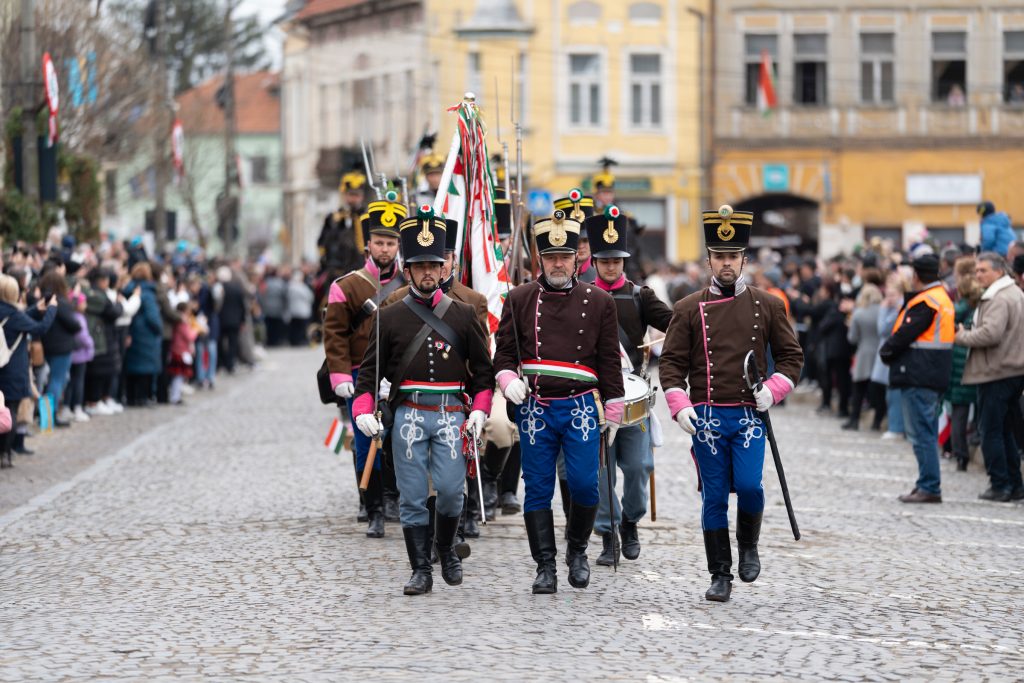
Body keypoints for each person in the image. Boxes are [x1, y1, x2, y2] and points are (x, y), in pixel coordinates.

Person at [659, 205, 803, 603]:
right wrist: (678, 402)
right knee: (715, 498)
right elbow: (670, 362)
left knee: (751, 488)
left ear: (744, 259)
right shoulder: (688, 308)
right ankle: (719, 573)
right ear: (709, 259)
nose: (726, 263)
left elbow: (793, 358)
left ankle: (749, 544)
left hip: (748, 414)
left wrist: (773, 389)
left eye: (733, 257)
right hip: (705, 415)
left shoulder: (768, 304)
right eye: (719, 256)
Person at [351, 208, 494, 595]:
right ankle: (420, 570)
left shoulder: (464, 315)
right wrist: (364, 411)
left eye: (434, 264)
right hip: (409, 414)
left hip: (451, 414)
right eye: (420, 266)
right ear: (407, 269)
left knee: (450, 492)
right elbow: (368, 376)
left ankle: (446, 549)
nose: (428, 272)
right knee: (413, 498)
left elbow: (483, 373)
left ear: (445, 266)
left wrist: (480, 409)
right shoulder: (389, 316)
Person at [494, 209, 625, 595]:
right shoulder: (518, 299)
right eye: (550, 257)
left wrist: (614, 407)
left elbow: (608, 361)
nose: (557, 263)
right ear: (540, 259)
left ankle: (578, 550)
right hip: (536, 404)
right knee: (537, 489)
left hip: (581, 404)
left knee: (585, 486)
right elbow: (502, 355)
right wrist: (507, 380)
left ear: (576, 260)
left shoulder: (600, 301)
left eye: (564, 256)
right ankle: (545, 566)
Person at [583, 205, 673, 566]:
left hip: (634, 395)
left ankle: (631, 521)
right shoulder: (582, 296)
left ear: (624, 260)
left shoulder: (641, 296)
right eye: (604, 261)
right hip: (594, 397)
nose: (610, 266)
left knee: (638, 468)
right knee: (601, 470)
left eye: (616, 260)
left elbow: (676, 324)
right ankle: (608, 533)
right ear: (596, 262)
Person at [323, 198, 408, 537]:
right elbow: (334, 334)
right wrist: (340, 374)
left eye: (391, 243)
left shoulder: (409, 283)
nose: (385, 249)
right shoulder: (346, 285)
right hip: (361, 375)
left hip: (399, 375)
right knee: (365, 441)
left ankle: (393, 497)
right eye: (379, 243)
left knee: (399, 441)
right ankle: (372, 507)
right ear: (368, 245)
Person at [879, 254, 955, 504]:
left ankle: (929, 486)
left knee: (921, 433)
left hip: (919, 373)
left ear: (916, 276)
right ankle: (927, 483)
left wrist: (887, 351)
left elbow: (904, 334)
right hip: (932, 372)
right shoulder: (942, 297)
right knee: (926, 432)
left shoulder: (927, 301)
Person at [954, 253, 1024, 501]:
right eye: (977, 270)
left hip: (996, 371)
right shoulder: (1013, 292)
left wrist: (962, 336)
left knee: (991, 430)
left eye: (983, 270)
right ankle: (1014, 485)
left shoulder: (999, 297)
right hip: (1010, 370)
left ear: (998, 271)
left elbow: (990, 334)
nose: (978, 275)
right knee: (1004, 431)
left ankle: (1000, 484)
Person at [0, 274, 57, 467]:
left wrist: (35, 309)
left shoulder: (12, 314)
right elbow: (39, 328)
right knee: (10, 413)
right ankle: (5, 454)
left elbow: (18, 319)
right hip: (13, 370)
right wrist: (52, 310)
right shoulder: (14, 314)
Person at [946, 258, 982, 471]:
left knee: (959, 413)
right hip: (976, 365)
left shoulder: (955, 311)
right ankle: (974, 442)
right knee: (978, 411)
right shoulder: (980, 309)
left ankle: (960, 455)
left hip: (959, 367)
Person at [38, 270, 81, 426]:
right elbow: (73, 324)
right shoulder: (60, 302)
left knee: (49, 382)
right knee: (56, 381)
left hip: (47, 345)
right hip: (61, 347)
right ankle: (49, 418)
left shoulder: (43, 300)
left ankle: (46, 417)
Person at [844, 281, 884, 430]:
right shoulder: (883, 311)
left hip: (863, 353)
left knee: (858, 390)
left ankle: (854, 420)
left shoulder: (859, 313)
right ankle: (877, 422)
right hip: (880, 353)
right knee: (879, 391)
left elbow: (852, 338)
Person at [122, 262, 164, 407]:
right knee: (145, 368)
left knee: (132, 367)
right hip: (146, 334)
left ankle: (131, 397)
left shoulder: (128, 290)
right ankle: (142, 397)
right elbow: (153, 317)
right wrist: (159, 329)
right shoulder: (148, 293)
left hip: (130, 332)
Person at [318, 168, 368, 276]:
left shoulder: (367, 217)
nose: (353, 199)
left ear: (362, 197)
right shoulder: (333, 218)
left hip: (362, 269)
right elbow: (322, 243)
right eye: (351, 195)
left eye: (357, 195)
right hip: (337, 270)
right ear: (345, 195)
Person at [555, 190, 597, 284]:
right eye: (576, 240)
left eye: (586, 240)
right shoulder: (553, 274)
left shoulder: (602, 275)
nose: (581, 246)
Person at [66, 292, 95, 423]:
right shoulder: (79, 318)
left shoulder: (70, 316)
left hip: (72, 354)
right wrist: (91, 344)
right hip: (80, 355)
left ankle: (68, 406)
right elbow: (83, 336)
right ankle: (77, 406)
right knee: (78, 382)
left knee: (71, 382)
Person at [286, 269, 313, 347]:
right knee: (300, 328)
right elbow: (309, 296)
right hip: (302, 311)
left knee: (294, 327)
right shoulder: (301, 287)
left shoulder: (290, 286)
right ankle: (299, 340)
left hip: (293, 310)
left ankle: (294, 341)